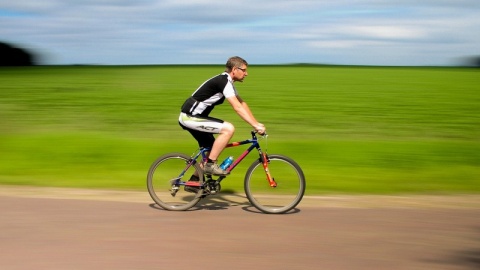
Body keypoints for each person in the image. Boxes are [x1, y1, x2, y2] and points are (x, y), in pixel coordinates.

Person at [179, 56, 266, 179]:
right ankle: (210, 165)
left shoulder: (227, 82)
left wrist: (256, 123)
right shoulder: (224, 81)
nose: (246, 74)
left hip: (195, 118)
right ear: (235, 69)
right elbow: (237, 107)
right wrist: (255, 125)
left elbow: (242, 104)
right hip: (189, 117)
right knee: (228, 129)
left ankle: (194, 182)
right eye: (244, 70)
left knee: (212, 150)